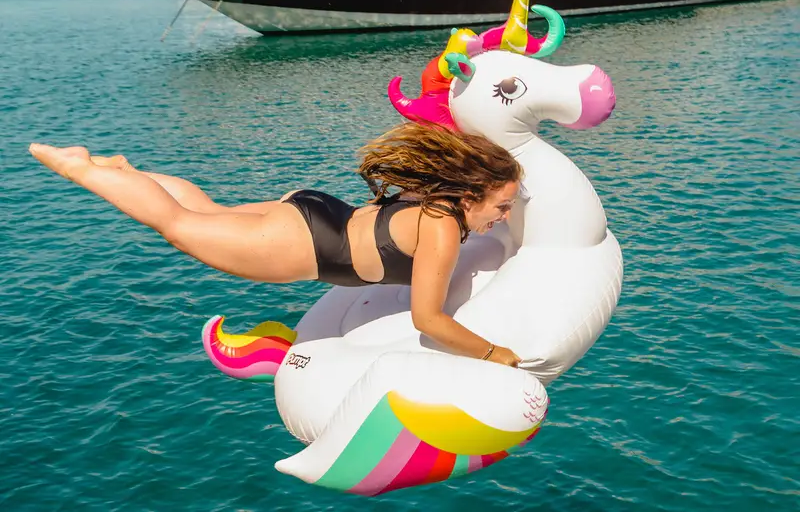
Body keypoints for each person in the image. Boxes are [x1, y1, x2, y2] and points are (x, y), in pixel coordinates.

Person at [29, 123, 523, 367]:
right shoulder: (440, 223)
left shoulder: (432, 196)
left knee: (209, 213)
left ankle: (126, 174)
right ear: (469, 193)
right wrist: (493, 352)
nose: (502, 218)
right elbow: (428, 319)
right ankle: (80, 167)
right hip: (305, 244)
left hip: (318, 212)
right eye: (500, 207)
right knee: (178, 225)